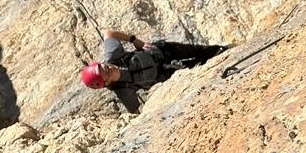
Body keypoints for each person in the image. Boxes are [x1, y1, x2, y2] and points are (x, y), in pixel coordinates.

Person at [80, 29, 229, 113]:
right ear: (106, 82)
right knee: (197, 68)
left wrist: (134, 40)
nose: (107, 67)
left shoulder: (112, 56)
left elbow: (108, 33)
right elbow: (135, 111)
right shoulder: (123, 90)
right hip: (166, 74)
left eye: (102, 65)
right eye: (104, 72)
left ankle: (225, 52)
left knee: (198, 51)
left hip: (161, 51)